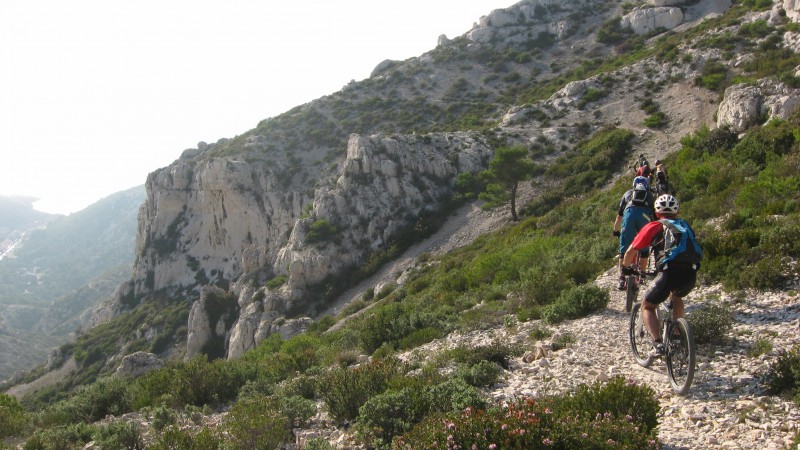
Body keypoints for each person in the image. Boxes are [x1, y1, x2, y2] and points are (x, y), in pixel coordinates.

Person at [621, 194, 702, 356]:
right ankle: (678, 336)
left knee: (648, 305)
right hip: (690, 273)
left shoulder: (654, 226)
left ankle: (658, 344)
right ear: (676, 212)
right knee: (676, 296)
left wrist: (625, 268)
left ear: (657, 213)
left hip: (668, 272)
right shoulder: (684, 226)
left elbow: (632, 250)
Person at [613, 176, 655, 290]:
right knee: (644, 248)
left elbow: (619, 217)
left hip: (629, 216)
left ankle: (621, 278)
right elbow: (654, 217)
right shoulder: (650, 196)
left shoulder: (627, 194)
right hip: (644, 218)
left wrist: (615, 231)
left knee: (624, 250)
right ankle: (642, 275)